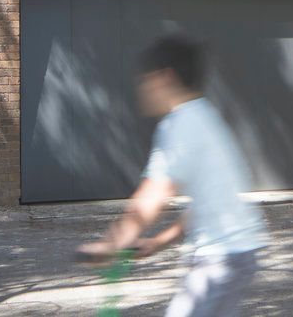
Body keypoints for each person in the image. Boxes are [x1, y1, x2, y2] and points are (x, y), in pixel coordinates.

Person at [77, 33, 266, 317]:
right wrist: (158, 241)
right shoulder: (204, 117)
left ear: (165, 77)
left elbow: (154, 194)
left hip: (221, 259)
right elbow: (204, 206)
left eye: (145, 80)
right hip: (236, 254)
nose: (142, 88)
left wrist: (112, 243)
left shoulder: (180, 124)